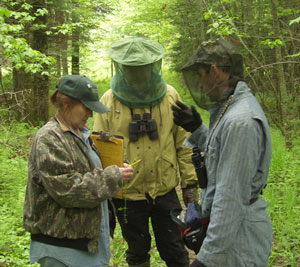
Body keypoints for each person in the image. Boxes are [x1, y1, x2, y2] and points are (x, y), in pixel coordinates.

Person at [93, 37, 199, 267]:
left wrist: (190, 188)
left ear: (152, 66)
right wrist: (107, 188)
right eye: (132, 68)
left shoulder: (170, 96)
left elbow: (184, 143)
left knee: (175, 249)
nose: (137, 73)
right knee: (137, 252)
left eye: (142, 68)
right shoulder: (108, 101)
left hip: (165, 189)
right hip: (128, 194)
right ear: (122, 68)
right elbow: (99, 151)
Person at [171, 38, 273, 267]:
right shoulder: (231, 108)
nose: (199, 85)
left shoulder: (240, 121)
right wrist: (198, 129)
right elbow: (223, 156)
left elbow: (230, 199)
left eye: (200, 76)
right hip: (232, 237)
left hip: (238, 243)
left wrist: (207, 259)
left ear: (215, 72)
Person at [23, 74, 134, 267]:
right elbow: (68, 189)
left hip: (85, 243)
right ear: (66, 103)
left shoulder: (80, 133)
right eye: (86, 108)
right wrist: (113, 176)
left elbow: (88, 170)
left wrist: (114, 166)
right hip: (62, 248)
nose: (91, 114)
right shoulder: (49, 138)